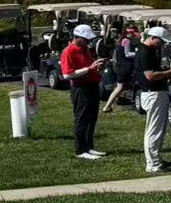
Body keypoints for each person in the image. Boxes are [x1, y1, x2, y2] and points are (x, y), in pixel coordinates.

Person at [137, 26, 171, 172]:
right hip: (153, 94)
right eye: (161, 41)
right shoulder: (145, 52)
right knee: (154, 130)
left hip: (155, 93)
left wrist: (165, 71)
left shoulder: (149, 51)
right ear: (153, 38)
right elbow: (150, 76)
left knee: (157, 129)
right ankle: (153, 164)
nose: (162, 45)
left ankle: (155, 158)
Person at [60, 23, 105, 160]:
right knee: (81, 119)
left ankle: (89, 146)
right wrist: (89, 69)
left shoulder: (85, 49)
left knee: (92, 118)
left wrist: (97, 67)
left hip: (92, 86)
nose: (88, 42)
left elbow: (89, 66)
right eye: (86, 39)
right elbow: (67, 74)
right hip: (81, 88)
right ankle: (80, 150)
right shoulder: (69, 51)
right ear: (77, 37)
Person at [104, 27, 140, 113]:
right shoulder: (127, 41)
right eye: (133, 34)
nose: (134, 36)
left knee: (120, 86)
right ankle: (107, 106)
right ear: (128, 34)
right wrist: (138, 54)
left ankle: (116, 100)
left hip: (120, 66)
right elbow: (127, 54)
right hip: (124, 67)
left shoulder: (120, 41)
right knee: (120, 87)